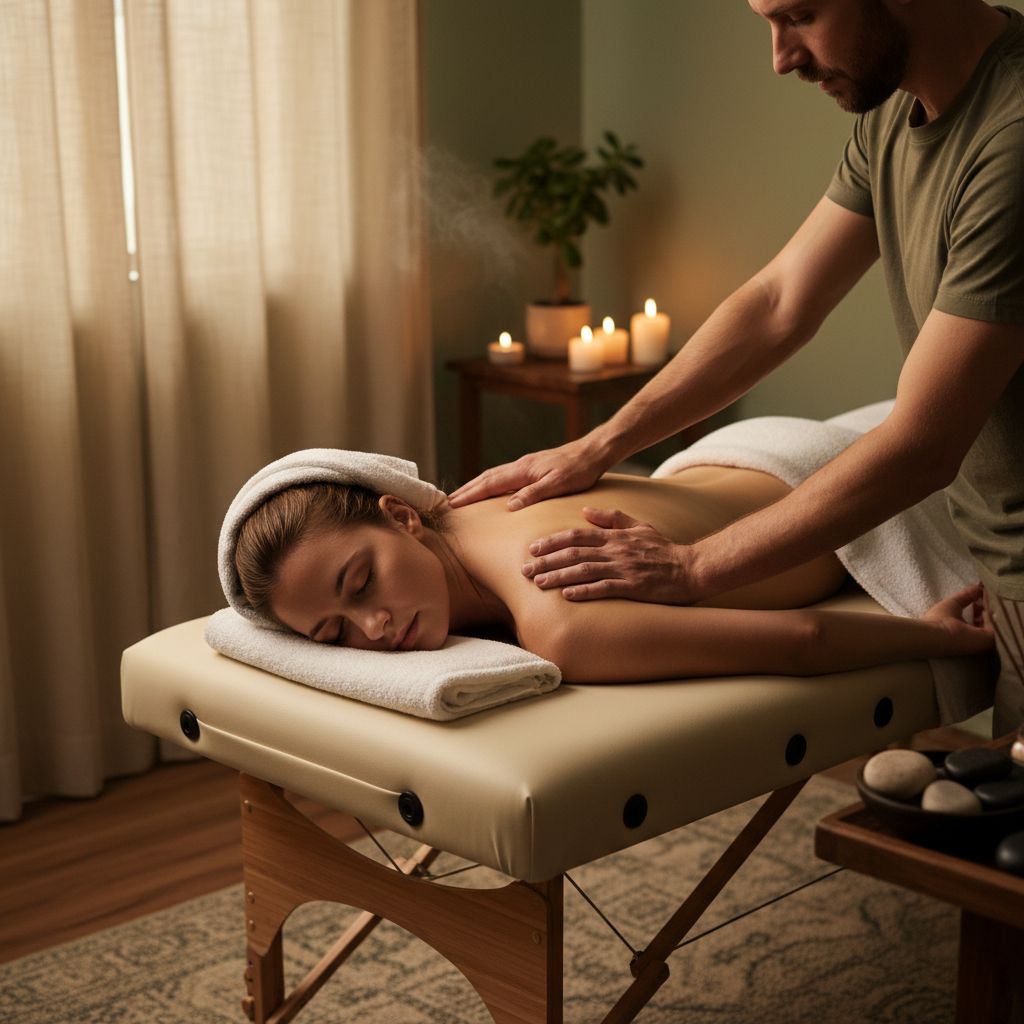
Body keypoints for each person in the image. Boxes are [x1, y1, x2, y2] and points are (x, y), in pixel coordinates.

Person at [447, 0, 1024, 733]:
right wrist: (600, 444)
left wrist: (692, 570)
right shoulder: (896, 111)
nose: (782, 57)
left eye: (801, 16)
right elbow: (779, 303)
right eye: (767, 22)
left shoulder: (1012, 141)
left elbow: (921, 445)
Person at [232, 466, 991, 683]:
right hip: (734, 457)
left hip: (838, 499)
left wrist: (935, 637)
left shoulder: (559, 613)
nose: (374, 630)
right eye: (333, 633)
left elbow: (801, 640)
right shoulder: (484, 496)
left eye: (362, 584)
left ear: (401, 517)